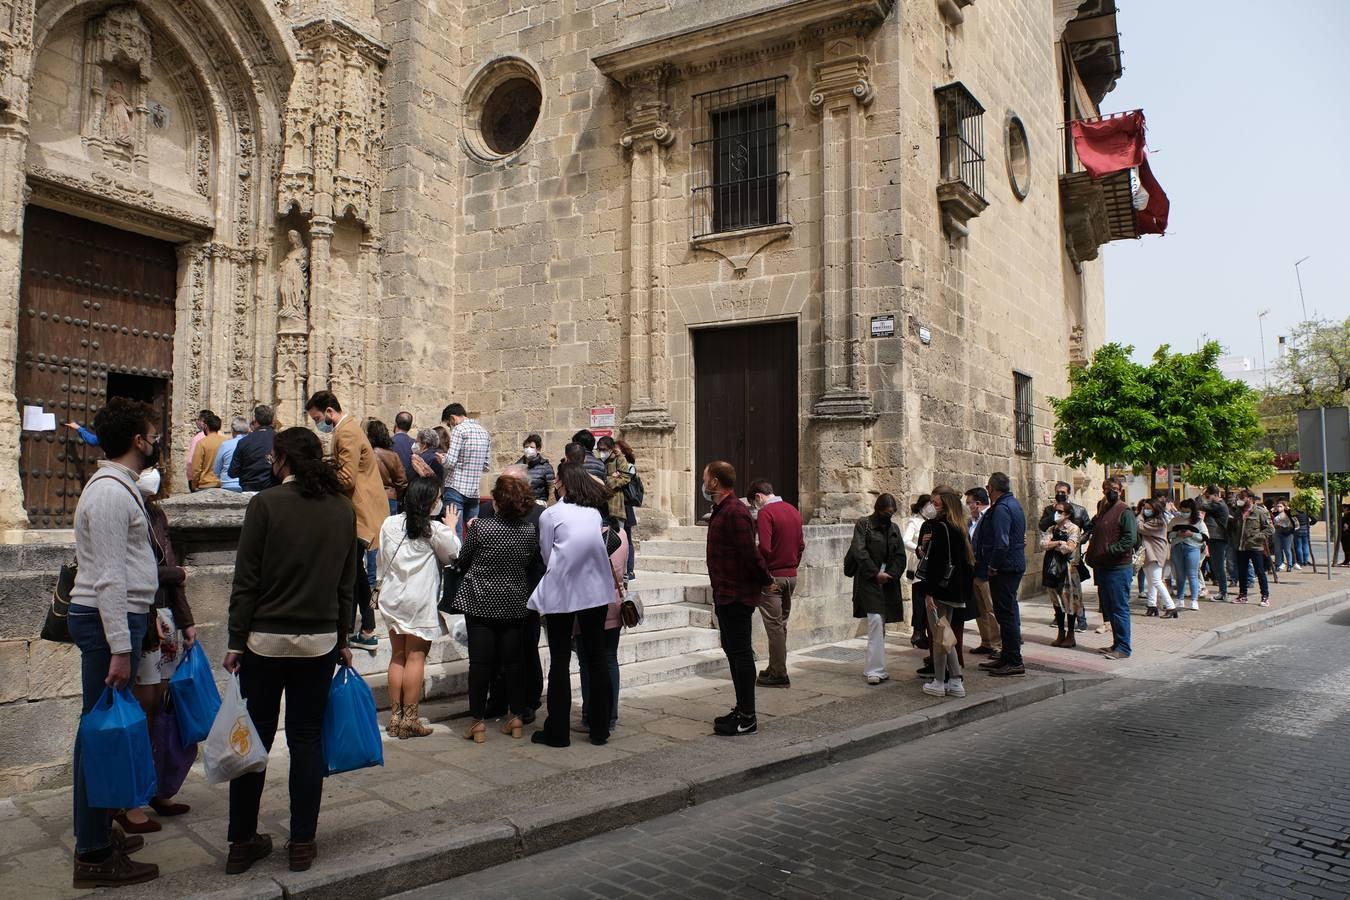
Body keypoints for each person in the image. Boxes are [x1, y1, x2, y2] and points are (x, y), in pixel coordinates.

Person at [222, 427, 356, 876]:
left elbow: (247, 580)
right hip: (318, 643)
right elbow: (347, 584)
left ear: (281, 459)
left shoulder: (265, 504)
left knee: (254, 739)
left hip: (264, 642)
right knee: (306, 739)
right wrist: (343, 639)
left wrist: (235, 640)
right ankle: (302, 841)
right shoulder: (341, 510)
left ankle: (241, 841)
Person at [68, 398, 163, 888]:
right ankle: (93, 852)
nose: (156, 441)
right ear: (136, 440)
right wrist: (121, 647)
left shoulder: (120, 488)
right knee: (98, 735)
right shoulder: (108, 493)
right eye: (151, 433)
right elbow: (107, 577)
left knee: (101, 730)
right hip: (108, 624)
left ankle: (100, 830)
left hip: (121, 620)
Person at [120, 465, 198, 835]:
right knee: (143, 707)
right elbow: (138, 571)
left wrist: (186, 620)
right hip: (141, 620)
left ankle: (156, 788)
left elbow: (167, 565)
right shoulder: (124, 510)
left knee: (161, 706)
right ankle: (128, 800)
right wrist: (177, 575)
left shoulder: (156, 513)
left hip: (164, 621)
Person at [528, 462, 616, 746]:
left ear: (563, 484)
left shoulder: (551, 514)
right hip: (594, 591)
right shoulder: (592, 513)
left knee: (560, 660)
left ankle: (558, 731)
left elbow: (545, 551)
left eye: (557, 479)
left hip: (563, 591)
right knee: (596, 656)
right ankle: (600, 729)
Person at [451, 474, 539, 743]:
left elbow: (463, 559)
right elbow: (528, 563)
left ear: (498, 502)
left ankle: (477, 721)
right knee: (514, 663)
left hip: (480, 602)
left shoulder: (481, 528)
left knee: (480, 664)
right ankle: (515, 717)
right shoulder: (528, 531)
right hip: (514, 602)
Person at [306, 390, 388, 652]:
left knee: (355, 573)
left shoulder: (346, 432)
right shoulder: (348, 429)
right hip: (361, 512)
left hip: (360, 513)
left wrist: (319, 475)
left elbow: (347, 479)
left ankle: (366, 628)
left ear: (330, 411)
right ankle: (362, 627)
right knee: (356, 573)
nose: (319, 423)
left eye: (318, 418)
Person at [378, 476, 460, 739]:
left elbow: (381, 557)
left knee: (397, 656)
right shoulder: (434, 530)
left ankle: (395, 717)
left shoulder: (390, 523)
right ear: (429, 502)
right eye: (437, 498)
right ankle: (410, 719)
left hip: (392, 598)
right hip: (419, 599)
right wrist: (452, 527)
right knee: (416, 657)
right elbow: (454, 554)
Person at [705, 461, 775, 734]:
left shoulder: (735, 512)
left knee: (741, 654)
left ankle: (748, 716)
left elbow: (750, 553)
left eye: (706, 478)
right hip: (725, 593)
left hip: (736, 594)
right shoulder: (723, 510)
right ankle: (741, 707)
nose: (704, 482)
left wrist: (766, 581)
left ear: (715, 483)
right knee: (733, 652)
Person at [576, 496, 629, 735]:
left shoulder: (589, 537)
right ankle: (611, 715)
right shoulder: (622, 534)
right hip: (615, 604)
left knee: (587, 663)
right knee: (610, 660)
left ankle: (590, 715)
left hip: (590, 605)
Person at [917, 486, 974, 697]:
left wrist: (929, 592)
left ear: (945, 505)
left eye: (936, 503)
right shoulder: (959, 527)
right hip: (953, 590)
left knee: (940, 635)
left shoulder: (942, 528)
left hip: (939, 590)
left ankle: (943, 681)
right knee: (944, 633)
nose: (932, 507)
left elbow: (936, 564)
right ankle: (952, 679)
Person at [747, 480, 805, 688]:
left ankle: (779, 673)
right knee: (781, 626)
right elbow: (800, 545)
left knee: (774, 627)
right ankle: (774, 666)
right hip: (791, 576)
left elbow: (765, 548)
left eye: (754, 504)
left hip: (773, 577)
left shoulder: (766, 513)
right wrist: (791, 567)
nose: (756, 508)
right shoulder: (793, 510)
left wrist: (762, 574)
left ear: (758, 497)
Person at [848, 493, 906, 686]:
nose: (888, 516)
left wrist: (891, 574)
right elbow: (859, 550)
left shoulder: (895, 528)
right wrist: (875, 573)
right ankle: (875, 670)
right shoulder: (863, 524)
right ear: (878, 509)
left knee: (880, 622)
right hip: (868, 579)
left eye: (891, 513)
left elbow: (900, 556)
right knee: (874, 620)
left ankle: (874, 666)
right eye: (885, 512)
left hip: (888, 580)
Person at [974, 472, 1027, 677]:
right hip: (1010, 566)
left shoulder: (1003, 508)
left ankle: (1014, 661)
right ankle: (1007, 657)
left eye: (988, 487)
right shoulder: (1012, 504)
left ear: (992, 489)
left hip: (1005, 568)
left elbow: (1002, 542)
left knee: (1006, 615)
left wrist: (993, 566)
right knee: (1007, 613)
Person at [1086, 477, 1137, 660]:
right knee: (1109, 608)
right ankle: (1116, 644)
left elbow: (1130, 539)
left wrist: (1110, 550)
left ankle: (1123, 647)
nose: (1111, 491)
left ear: (1121, 490)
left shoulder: (1125, 511)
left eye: (1114, 488)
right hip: (1104, 567)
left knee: (1119, 608)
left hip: (1118, 567)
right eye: (1107, 488)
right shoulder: (1103, 509)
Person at [443, 403, 491, 539]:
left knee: (454, 534)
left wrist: (442, 459)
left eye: (448, 424)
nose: (450, 427)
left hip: (455, 487)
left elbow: (450, 461)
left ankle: (457, 561)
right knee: (474, 535)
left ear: (452, 418)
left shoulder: (459, 430)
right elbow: (486, 466)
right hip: (474, 491)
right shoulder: (484, 432)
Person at [962, 487, 1001, 656]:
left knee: (991, 608)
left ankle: (998, 644)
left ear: (977, 504)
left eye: (968, 503)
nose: (967, 506)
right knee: (980, 608)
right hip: (974, 571)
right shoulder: (971, 521)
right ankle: (986, 641)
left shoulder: (991, 517)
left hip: (987, 571)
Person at [1040, 501, 1082, 647]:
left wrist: (1055, 544)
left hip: (1068, 571)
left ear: (1068, 514)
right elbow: (1043, 544)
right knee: (1056, 602)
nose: (1056, 514)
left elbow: (1069, 547)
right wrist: (1058, 543)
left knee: (1070, 602)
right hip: (1052, 569)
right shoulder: (1052, 528)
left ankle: (1071, 634)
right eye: (1055, 511)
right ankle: (1060, 632)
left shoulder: (1074, 528)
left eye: (1060, 511)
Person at [1229, 488, 1273, 606]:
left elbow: (1270, 529)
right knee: (1242, 572)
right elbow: (1234, 529)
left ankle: (1265, 596)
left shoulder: (1260, 512)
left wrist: (1258, 536)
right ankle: (1243, 595)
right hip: (1241, 547)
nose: (1240, 500)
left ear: (1250, 499)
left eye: (1242, 498)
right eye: (1239, 498)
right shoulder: (1238, 512)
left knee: (1259, 572)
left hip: (1255, 547)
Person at [1138, 496, 1177, 619]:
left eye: (1148, 508)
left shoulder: (1158, 521)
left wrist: (1139, 515)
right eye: (1144, 508)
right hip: (1149, 553)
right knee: (1150, 580)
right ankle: (1152, 606)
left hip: (1155, 553)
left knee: (1156, 581)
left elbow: (1140, 528)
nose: (1145, 510)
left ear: (1155, 509)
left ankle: (1171, 607)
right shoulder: (1153, 519)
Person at [1168, 498, 1208, 610]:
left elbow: (1204, 537)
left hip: (1192, 548)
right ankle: (1180, 599)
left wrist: (1191, 535)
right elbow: (1168, 534)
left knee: (1192, 574)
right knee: (1180, 575)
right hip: (1177, 548)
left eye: (1187, 511)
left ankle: (1194, 600)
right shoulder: (1175, 520)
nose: (1184, 513)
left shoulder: (1198, 521)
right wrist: (1177, 534)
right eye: (1183, 511)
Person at [902, 494, 930, 649]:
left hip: (930, 566)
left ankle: (925, 632)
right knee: (919, 601)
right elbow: (906, 540)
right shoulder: (915, 522)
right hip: (919, 566)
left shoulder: (931, 522)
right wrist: (918, 548)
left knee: (928, 602)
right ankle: (918, 633)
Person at [228, 405, 276, 493]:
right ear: (272, 420)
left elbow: (232, 472)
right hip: (273, 490)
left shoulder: (244, 442)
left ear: (255, 421)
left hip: (249, 490)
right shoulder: (280, 439)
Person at [368, 418, 409, 515]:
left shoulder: (366, 455)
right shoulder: (393, 456)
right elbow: (402, 482)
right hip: (389, 498)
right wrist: (395, 493)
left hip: (370, 497)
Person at [1198, 486, 1231, 601]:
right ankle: (1223, 591)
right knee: (1217, 566)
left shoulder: (1218, 505)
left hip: (1218, 538)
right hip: (1216, 538)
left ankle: (1223, 592)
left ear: (1215, 495)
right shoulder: (1218, 505)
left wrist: (1201, 496)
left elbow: (1200, 505)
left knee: (1219, 566)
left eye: (1209, 496)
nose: (1208, 498)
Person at [615, 439, 640, 581]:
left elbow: (625, 480)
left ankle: (630, 570)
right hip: (619, 505)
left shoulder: (629, 466)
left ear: (623, 452)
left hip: (626, 505)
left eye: (616, 450)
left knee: (627, 538)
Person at [597, 435, 632, 527]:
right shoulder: (598, 461)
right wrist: (612, 477)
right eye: (599, 450)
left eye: (604, 449)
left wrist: (607, 480)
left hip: (615, 504)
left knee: (617, 535)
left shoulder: (619, 459)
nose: (601, 452)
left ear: (611, 449)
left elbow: (625, 478)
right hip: (600, 502)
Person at [189, 412, 225, 491]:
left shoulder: (202, 443)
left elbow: (196, 468)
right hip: (222, 483)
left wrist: (194, 484)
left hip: (205, 484)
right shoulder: (226, 441)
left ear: (206, 426)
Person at [214, 417, 249, 492]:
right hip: (246, 484)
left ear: (233, 430)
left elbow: (216, 469)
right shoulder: (251, 444)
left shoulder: (225, 445)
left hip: (227, 484)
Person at [517, 433, 555, 503]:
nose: (528, 449)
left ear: (538, 449)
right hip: (520, 505)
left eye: (531, 447)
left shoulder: (546, 467)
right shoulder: (517, 466)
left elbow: (551, 489)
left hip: (538, 505)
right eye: (526, 447)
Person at [184, 409, 212, 488]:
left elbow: (190, 461)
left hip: (200, 480)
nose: (196, 422)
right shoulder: (220, 436)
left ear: (203, 422)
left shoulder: (198, 438)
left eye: (198, 419)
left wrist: (191, 479)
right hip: (215, 480)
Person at [1271, 500, 1297, 572]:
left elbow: (1295, 520)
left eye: (1280, 506)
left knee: (1287, 549)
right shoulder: (1275, 513)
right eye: (1278, 506)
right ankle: (1278, 565)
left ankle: (1289, 565)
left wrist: (1289, 510)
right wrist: (1271, 511)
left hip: (1287, 533)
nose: (1279, 508)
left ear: (1284, 507)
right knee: (1277, 550)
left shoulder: (1289, 513)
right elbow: (1270, 519)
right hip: (1277, 532)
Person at [391, 411, 416, 485]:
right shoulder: (415, 444)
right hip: (410, 485)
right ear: (410, 427)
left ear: (396, 424)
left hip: (393, 485)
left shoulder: (388, 442)